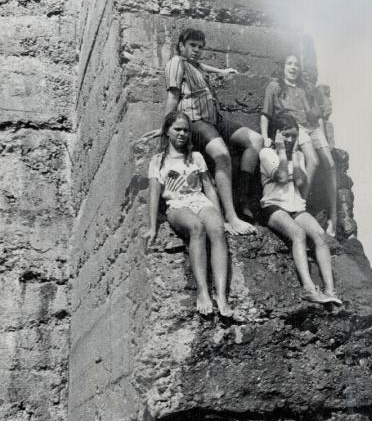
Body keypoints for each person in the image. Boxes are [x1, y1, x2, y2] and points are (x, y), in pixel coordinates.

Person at [165, 27, 262, 236]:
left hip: (215, 118)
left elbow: (203, 66)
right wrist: (166, 127)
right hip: (195, 119)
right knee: (221, 154)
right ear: (181, 46)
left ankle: (242, 197)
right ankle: (231, 216)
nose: (197, 50)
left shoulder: (195, 65)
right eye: (192, 45)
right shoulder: (176, 63)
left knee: (256, 140)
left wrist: (222, 72)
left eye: (200, 47)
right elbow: (173, 95)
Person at [144, 111, 233, 319]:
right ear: (167, 131)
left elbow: (209, 188)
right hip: (176, 204)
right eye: (177, 129)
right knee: (197, 227)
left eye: (186, 130)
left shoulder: (196, 157)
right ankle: (203, 291)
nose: (182, 134)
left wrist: (219, 215)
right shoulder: (158, 160)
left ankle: (221, 295)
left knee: (217, 229)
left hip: (199, 200)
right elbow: (154, 193)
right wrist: (152, 226)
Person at [259, 111, 342, 306]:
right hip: (273, 206)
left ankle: (330, 289)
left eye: (293, 136)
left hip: (295, 206)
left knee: (320, 236)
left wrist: (295, 156)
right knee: (298, 234)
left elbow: (300, 181)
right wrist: (280, 151)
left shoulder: (297, 155)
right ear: (275, 135)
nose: (289, 140)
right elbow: (280, 176)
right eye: (285, 135)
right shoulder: (266, 153)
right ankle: (309, 288)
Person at [261, 52, 338, 237]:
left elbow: (318, 117)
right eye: (290, 64)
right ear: (284, 67)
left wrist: (324, 138)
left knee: (331, 164)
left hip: (312, 128)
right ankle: (300, 205)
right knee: (312, 160)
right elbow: (266, 114)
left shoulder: (306, 89)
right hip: (296, 127)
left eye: (296, 64)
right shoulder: (275, 86)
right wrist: (265, 136)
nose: (293, 67)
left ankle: (334, 217)